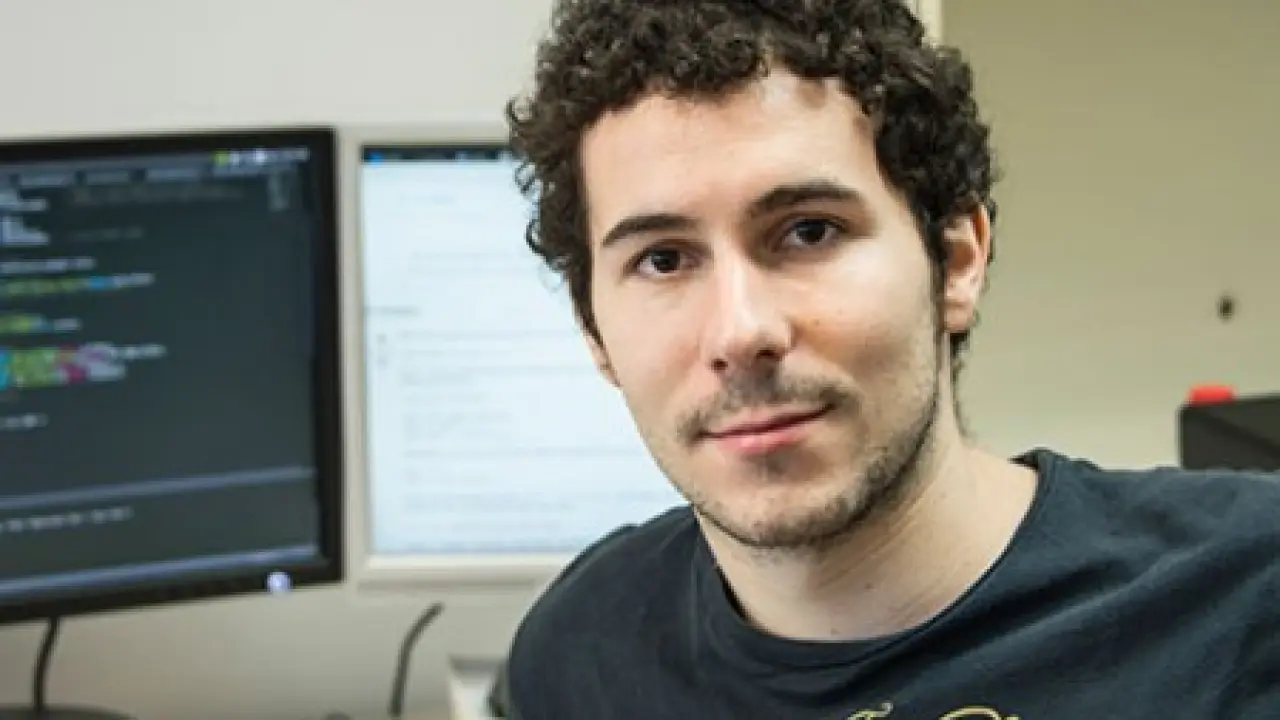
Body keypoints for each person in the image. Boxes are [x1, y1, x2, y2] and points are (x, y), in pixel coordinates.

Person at [498, 0, 1280, 717]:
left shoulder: (1245, 604)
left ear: (958, 260)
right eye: (663, 260)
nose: (740, 331)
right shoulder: (581, 653)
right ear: (592, 329)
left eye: (809, 231)